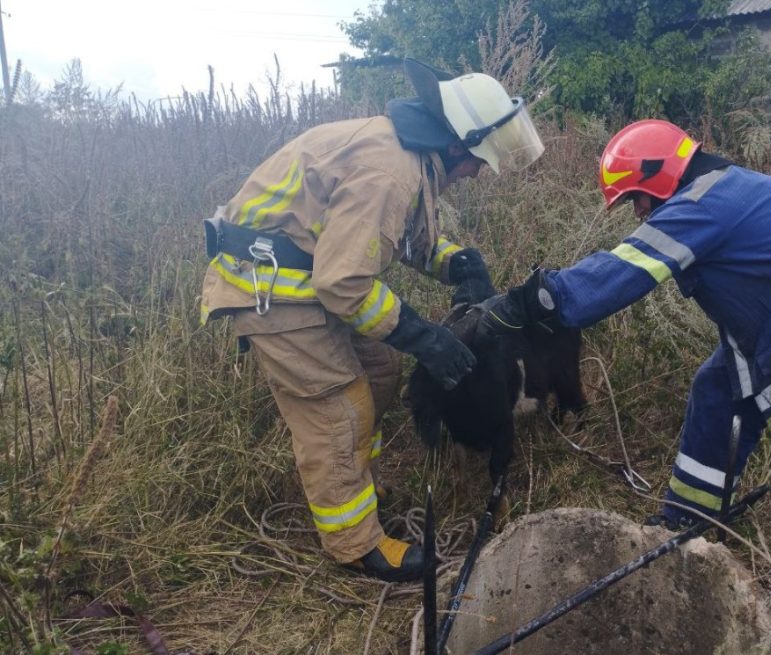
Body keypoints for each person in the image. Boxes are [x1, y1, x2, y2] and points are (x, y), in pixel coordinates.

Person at [478, 119, 771, 642]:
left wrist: (539, 299)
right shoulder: (723, 189)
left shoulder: (705, 201)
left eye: (637, 198)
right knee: (717, 391)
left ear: (659, 176)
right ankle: (690, 517)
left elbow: (628, 268)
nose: (637, 212)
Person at [199, 59, 544, 582]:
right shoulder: (391, 168)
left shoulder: (409, 156)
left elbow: (402, 237)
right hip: (271, 291)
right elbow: (343, 283)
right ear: (456, 145)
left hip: (304, 284)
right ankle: (357, 545)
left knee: (380, 369)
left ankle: (357, 483)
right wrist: (426, 338)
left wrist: (457, 262)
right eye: (478, 161)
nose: (477, 172)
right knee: (339, 407)